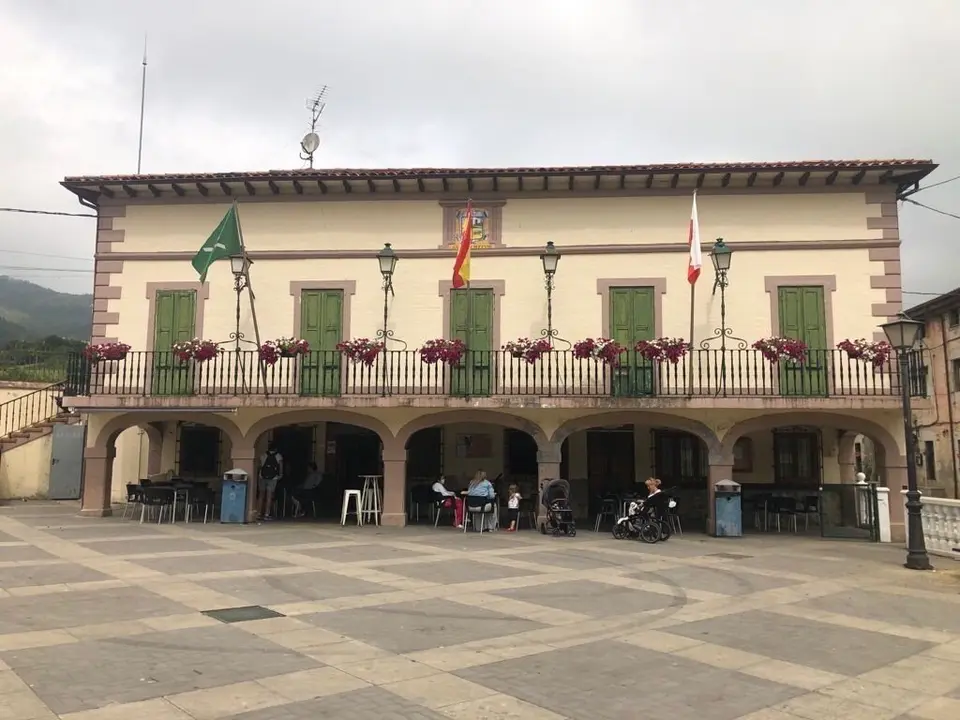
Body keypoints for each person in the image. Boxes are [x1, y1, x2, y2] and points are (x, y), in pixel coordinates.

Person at [258, 443, 284, 520]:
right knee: (269, 496)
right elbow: (281, 466)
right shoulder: (278, 456)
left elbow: (259, 466)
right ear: (276, 449)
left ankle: (258, 513)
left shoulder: (263, 455)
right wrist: (280, 475)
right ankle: (266, 514)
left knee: (261, 495)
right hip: (273, 478)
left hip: (262, 477)